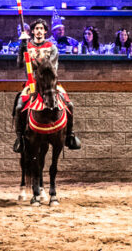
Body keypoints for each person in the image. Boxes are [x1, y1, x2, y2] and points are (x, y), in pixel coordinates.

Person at [12, 18, 81, 153]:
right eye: (36, 29)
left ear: (45, 31)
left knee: (70, 104)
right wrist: (22, 48)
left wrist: (33, 59)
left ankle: (70, 135)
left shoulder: (51, 47)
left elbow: (50, 67)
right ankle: (20, 138)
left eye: (41, 29)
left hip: (50, 82)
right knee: (20, 106)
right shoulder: (28, 46)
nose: (38, 31)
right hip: (32, 83)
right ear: (32, 31)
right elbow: (20, 64)